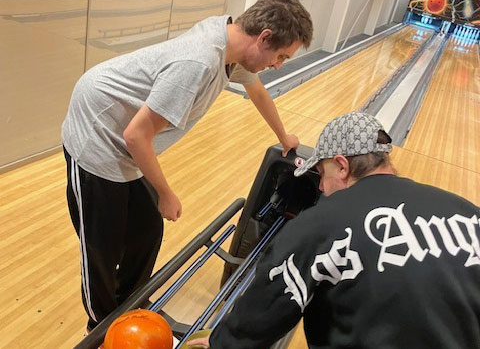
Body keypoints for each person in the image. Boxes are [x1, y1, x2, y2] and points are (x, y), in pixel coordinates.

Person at [61, 0, 313, 332]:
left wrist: (285, 137)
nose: (278, 65)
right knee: (101, 248)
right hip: (97, 136)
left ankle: (132, 305)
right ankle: (101, 327)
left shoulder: (232, 45)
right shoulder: (198, 63)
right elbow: (136, 136)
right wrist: (165, 192)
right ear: (264, 37)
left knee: (146, 230)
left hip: (125, 134)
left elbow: (256, 89)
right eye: (281, 56)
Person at [189, 112, 480, 348]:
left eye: (321, 174)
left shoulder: (321, 223)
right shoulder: (468, 214)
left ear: (341, 167)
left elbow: (258, 317)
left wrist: (219, 343)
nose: (320, 187)